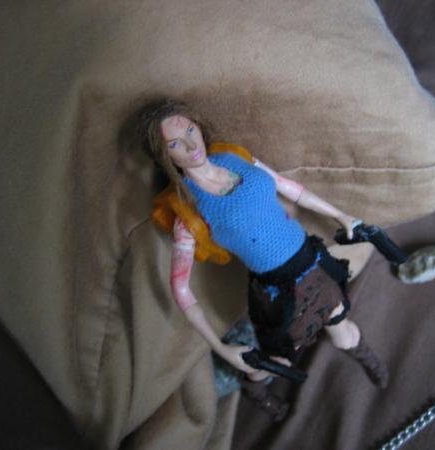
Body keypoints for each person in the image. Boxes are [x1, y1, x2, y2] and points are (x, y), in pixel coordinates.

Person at [141, 100, 388, 420]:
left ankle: (367, 358)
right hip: (279, 290)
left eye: (190, 130)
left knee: (343, 332)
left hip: (311, 260)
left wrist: (342, 216)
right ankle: (257, 392)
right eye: (175, 144)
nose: (190, 145)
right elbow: (181, 288)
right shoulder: (188, 211)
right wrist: (221, 348)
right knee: (273, 362)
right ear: (165, 156)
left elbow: (292, 190)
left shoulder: (234, 158)